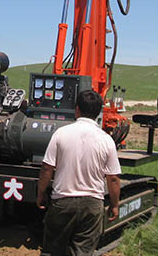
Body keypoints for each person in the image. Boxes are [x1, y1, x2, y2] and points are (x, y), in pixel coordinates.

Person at [36, 90, 122, 256]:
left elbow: (47, 168)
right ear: (98, 112)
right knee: (82, 251)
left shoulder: (61, 134)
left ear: (77, 109)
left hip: (62, 201)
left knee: (53, 250)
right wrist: (115, 204)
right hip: (92, 204)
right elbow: (113, 179)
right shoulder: (106, 140)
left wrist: (41, 193)